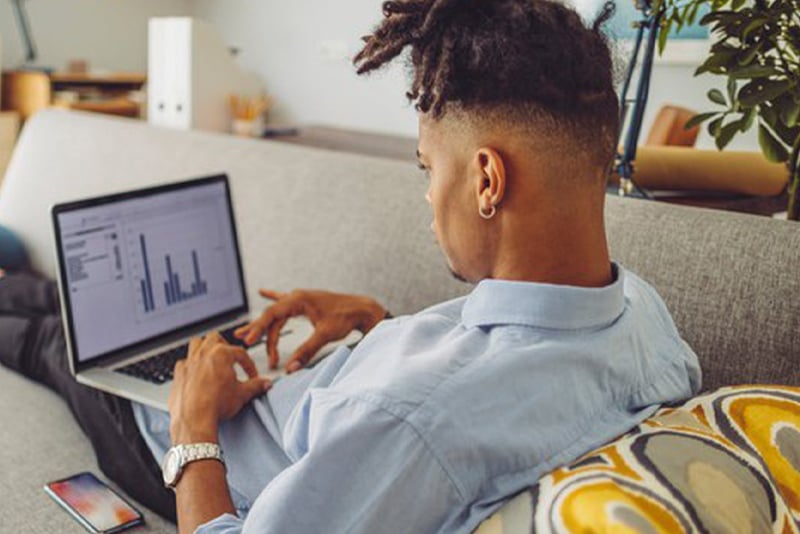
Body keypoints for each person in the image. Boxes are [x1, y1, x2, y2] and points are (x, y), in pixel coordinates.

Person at [0, 0, 702, 532]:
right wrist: (379, 327)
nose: (429, 195)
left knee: (50, 337)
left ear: (487, 181)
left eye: (429, 169)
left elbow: (420, 421)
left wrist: (193, 427)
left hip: (192, 432)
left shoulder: (414, 424)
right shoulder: (642, 314)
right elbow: (493, 385)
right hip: (295, 392)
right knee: (50, 290)